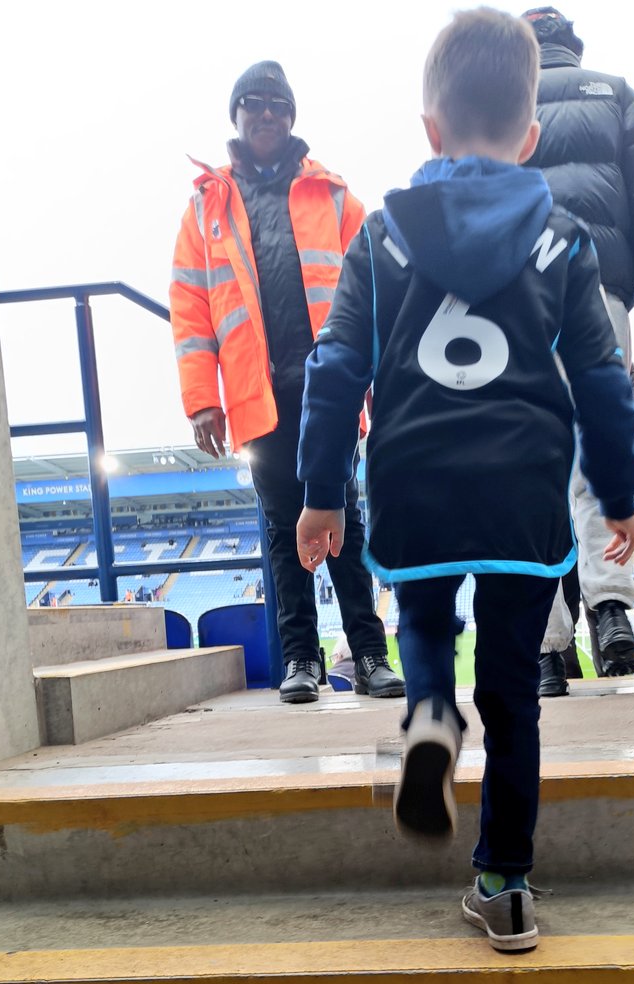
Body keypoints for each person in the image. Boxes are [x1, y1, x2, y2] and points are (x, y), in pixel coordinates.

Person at [295, 8, 634, 953]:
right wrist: (621, 494)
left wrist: (320, 491)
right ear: (531, 138)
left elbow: (335, 368)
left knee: (421, 622)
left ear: (428, 128)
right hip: (523, 490)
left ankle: (427, 718)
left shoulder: (380, 235)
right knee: (516, 694)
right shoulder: (563, 237)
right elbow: (603, 380)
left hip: (411, 481)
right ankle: (505, 885)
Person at [169, 60, 404, 704]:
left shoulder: (334, 196)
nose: (265, 110)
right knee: (281, 527)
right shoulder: (205, 209)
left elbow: (376, 292)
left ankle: (369, 656)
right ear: (236, 115)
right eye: (252, 100)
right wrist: (201, 400)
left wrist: (381, 379)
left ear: (292, 115)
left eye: (276, 101)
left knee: (345, 524)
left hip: (331, 384)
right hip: (256, 392)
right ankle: (300, 659)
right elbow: (190, 310)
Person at [521, 7, 634, 687]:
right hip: (597, 295)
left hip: (511, 300)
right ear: (571, 45)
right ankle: (611, 613)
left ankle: (543, 645)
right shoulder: (617, 94)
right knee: (597, 454)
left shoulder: (493, 98)